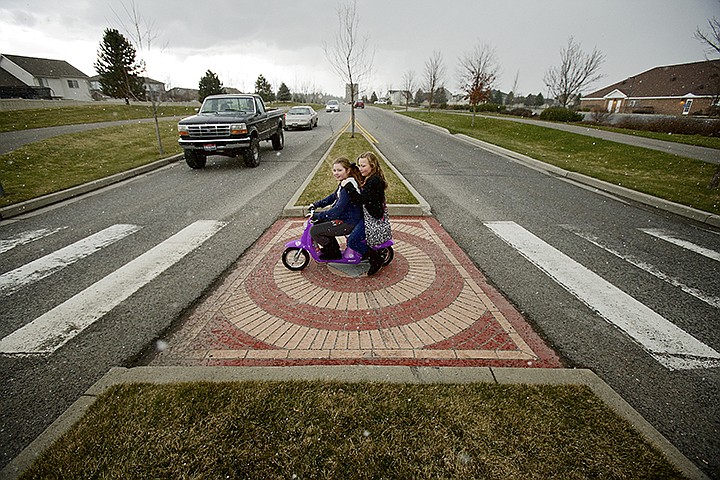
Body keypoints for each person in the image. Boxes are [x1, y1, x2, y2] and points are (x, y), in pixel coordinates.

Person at [342, 151, 389, 275]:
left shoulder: (374, 182)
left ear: (372, 166)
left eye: (363, 166)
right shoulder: (372, 177)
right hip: (368, 214)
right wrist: (353, 168)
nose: (360, 168)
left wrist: (348, 187)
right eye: (359, 165)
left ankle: (375, 259)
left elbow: (361, 199)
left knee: (352, 240)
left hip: (372, 217)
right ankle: (364, 252)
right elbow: (360, 179)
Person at [309, 158, 363, 260]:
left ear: (348, 171)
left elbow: (337, 210)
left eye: (339, 170)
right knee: (319, 224)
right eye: (334, 170)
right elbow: (333, 196)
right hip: (345, 218)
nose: (336, 173)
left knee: (314, 230)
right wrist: (316, 204)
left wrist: (317, 215)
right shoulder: (344, 182)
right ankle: (332, 249)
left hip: (349, 222)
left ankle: (333, 252)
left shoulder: (348, 186)